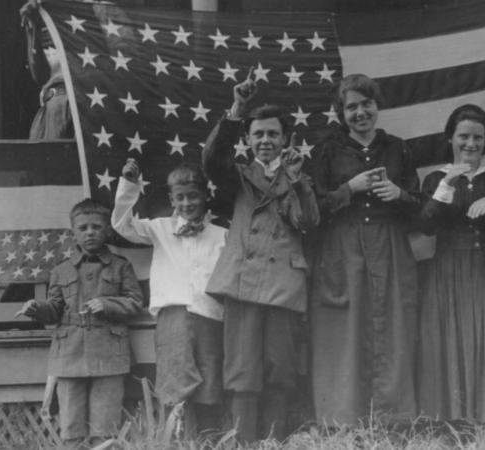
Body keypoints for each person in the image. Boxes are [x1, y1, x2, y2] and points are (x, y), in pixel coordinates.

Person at [202, 78, 319, 442]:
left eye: (273, 134)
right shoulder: (237, 175)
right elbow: (211, 161)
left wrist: (297, 182)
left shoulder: (299, 176)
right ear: (248, 139)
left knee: (280, 367)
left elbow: (308, 223)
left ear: (285, 139)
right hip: (242, 281)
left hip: (284, 283)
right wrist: (236, 109)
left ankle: (273, 441)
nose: (265, 140)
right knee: (241, 369)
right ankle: (241, 441)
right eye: (258, 134)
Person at [308, 73, 422, 426]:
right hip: (343, 246)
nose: (360, 113)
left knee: (391, 325)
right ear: (341, 113)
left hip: (389, 245)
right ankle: (344, 417)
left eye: (366, 104)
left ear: (377, 105)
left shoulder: (397, 147)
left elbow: (421, 209)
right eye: (351, 107)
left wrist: (399, 195)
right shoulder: (327, 150)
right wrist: (350, 189)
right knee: (346, 327)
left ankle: (392, 417)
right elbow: (312, 208)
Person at [416, 104, 485, 423]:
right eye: (464, 137)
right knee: (450, 337)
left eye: (478, 137)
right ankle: (451, 418)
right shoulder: (435, 178)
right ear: (450, 138)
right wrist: (448, 183)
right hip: (449, 269)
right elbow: (426, 226)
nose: (471, 144)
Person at [112, 161, 227, 436]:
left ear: (206, 196)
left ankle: (209, 439)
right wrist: (129, 185)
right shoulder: (160, 229)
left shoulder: (222, 235)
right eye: (180, 197)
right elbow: (121, 225)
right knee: (175, 380)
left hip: (211, 315)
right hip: (173, 315)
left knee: (210, 377)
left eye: (193, 196)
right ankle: (176, 439)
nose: (187, 203)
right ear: (171, 199)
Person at [18, 199, 143, 448]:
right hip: (69, 356)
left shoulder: (121, 266)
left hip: (108, 354)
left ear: (108, 230)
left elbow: (135, 302)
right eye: (83, 227)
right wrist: (35, 308)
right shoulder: (61, 270)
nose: (90, 232)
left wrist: (108, 304)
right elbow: (54, 310)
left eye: (97, 227)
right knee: (71, 427)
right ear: (73, 232)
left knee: (105, 427)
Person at [20, 0, 73, 139]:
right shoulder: (40, 13)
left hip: (70, 106)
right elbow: (40, 75)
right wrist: (32, 29)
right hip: (50, 107)